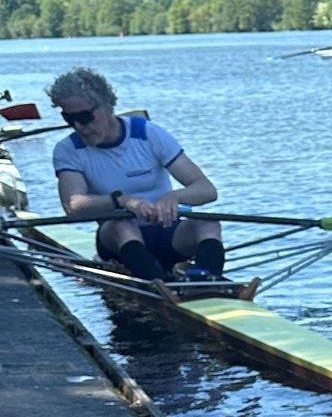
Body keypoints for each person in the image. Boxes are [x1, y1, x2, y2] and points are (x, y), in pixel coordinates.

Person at [48, 68, 224, 283]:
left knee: (208, 223)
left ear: (107, 106)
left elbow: (207, 190)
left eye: (84, 117)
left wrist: (175, 196)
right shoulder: (68, 150)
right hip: (116, 240)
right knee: (122, 225)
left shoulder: (148, 134)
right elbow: (73, 205)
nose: (78, 126)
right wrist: (122, 201)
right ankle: (161, 287)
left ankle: (209, 281)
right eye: (69, 118)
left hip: (167, 233)